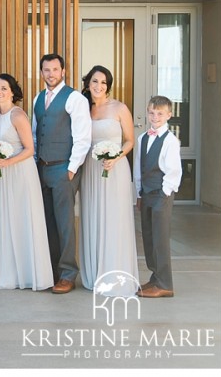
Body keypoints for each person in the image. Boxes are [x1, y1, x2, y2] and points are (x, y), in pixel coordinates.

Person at [0, 74, 53, 291]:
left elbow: (30, 149)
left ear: (12, 91)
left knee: (21, 219)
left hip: (20, 174)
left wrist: (9, 161)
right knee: (4, 219)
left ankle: (27, 274)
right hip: (1, 175)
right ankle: (7, 273)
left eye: (4, 88)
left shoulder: (17, 115)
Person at [31, 53, 91, 294]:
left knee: (65, 222)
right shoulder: (38, 98)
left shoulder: (75, 98)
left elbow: (83, 137)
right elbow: (36, 134)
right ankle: (53, 271)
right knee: (47, 221)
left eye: (55, 69)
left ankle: (68, 273)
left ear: (63, 71)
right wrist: (35, 162)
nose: (51, 74)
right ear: (42, 72)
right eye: (46, 70)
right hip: (42, 168)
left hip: (63, 167)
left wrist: (71, 169)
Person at [79, 65, 139, 296]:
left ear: (108, 86)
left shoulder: (119, 107)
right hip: (91, 171)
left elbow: (130, 140)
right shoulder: (84, 108)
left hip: (115, 169)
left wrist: (116, 157)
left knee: (114, 219)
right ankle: (95, 272)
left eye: (103, 82)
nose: (98, 86)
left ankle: (115, 275)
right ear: (88, 83)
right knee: (93, 217)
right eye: (95, 81)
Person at [134, 96, 182, 298]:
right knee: (148, 237)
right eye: (152, 113)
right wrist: (138, 193)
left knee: (160, 238)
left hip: (161, 195)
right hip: (146, 193)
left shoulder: (170, 141)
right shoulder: (142, 137)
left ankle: (165, 283)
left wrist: (164, 193)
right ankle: (155, 277)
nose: (155, 117)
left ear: (169, 115)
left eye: (160, 113)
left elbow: (173, 171)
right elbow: (139, 167)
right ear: (147, 112)